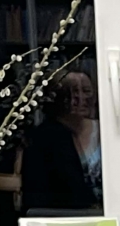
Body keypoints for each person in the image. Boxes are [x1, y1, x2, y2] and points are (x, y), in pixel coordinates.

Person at [21, 70, 102, 215]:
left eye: (86, 91)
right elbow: (36, 198)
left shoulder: (107, 132)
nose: (81, 98)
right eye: (73, 92)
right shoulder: (41, 139)